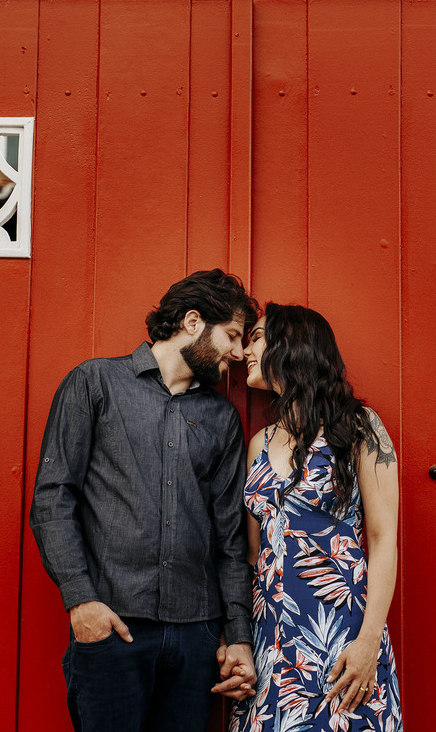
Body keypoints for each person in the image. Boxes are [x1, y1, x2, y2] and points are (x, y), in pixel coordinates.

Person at [29, 269, 260, 732]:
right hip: (112, 627)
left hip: (197, 639)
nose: (239, 353)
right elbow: (53, 498)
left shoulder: (222, 418)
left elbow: (231, 539)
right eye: (233, 336)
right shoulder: (96, 384)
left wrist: (238, 637)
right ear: (193, 322)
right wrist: (81, 603)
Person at [217, 303, 403, 731]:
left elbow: (382, 538)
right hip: (271, 644)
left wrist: (369, 640)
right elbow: (251, 555)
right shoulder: (258, 444)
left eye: (257, 338)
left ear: (292, 345)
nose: (246, 350)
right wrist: (237, 642)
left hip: (341, 639)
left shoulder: (358, 427)